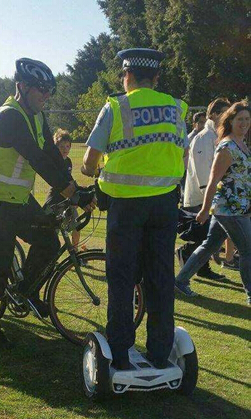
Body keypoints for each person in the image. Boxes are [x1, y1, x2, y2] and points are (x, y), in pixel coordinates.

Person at [0, 57, 95, 349]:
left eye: (49, 90)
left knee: (49, 242)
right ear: (22, 86)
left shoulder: (37, 116)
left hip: (16, 199)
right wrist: (71, 193)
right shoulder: (9, 116)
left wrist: (77, 187)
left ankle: (24, 291)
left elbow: (52, 154)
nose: (46, 95)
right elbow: (36, 159)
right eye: (41, 89)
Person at [82, 48, 188, 370]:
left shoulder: (116, 106)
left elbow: (88, 163)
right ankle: (159, 352)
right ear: (156, 78)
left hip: (125, 207)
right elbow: (181, 156)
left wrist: (101, 173)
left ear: (127, 76)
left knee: (121, 278)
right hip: (165, 204)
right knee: (160, 277)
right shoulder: (175, 108)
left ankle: (120, 354)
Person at [175, 101, 251, 304]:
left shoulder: (242, 143)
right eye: (239, 119)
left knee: (209, 246)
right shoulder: (227, 146)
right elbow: (213, 181)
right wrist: (205, 209)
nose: (244, 123)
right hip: (229, 209)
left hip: (239, 208)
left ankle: (180, 281)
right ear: (230, 121)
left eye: (247, 119)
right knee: (247, 250)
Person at [177, 98, 231, 282]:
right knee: (203, 237)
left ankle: (202, 268)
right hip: (201, 197)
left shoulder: (216, 136)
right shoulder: (202, 138)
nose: (228, 116)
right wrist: (209, 199)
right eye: (225, 112)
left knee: (208, 237)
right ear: (214, 114)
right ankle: (185, 254)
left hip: (211, 196)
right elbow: (202, 172)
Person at [44, 129, 82, 250]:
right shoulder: (53, 162)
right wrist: (74, 195)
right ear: (55, 148)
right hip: (56, 201)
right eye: (61, 146)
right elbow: (59, 185)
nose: (65, 149)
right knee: (51, 233)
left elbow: (69, 180)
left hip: (68, 201)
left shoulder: (68, 161)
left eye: (67, 146)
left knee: (77, 226)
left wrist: (79, 191)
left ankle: (75, 252)